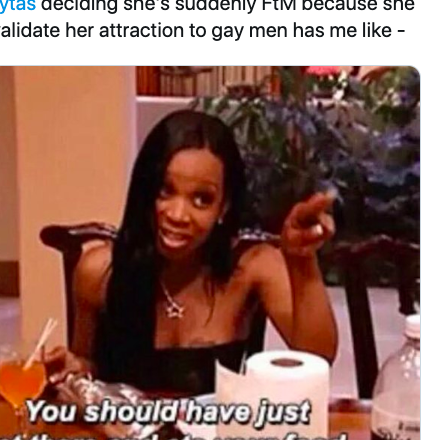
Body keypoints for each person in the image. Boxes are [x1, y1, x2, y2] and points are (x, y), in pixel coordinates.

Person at [48, 110, 338, 394]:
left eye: (201, 199)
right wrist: (75, 368)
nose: (177, 215)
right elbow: (88, 368)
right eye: (165, 190)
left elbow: (318, 357)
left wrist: (301, 260)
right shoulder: (98, 271)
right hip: (125, 427)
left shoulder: (253, 266)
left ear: (224, 207)